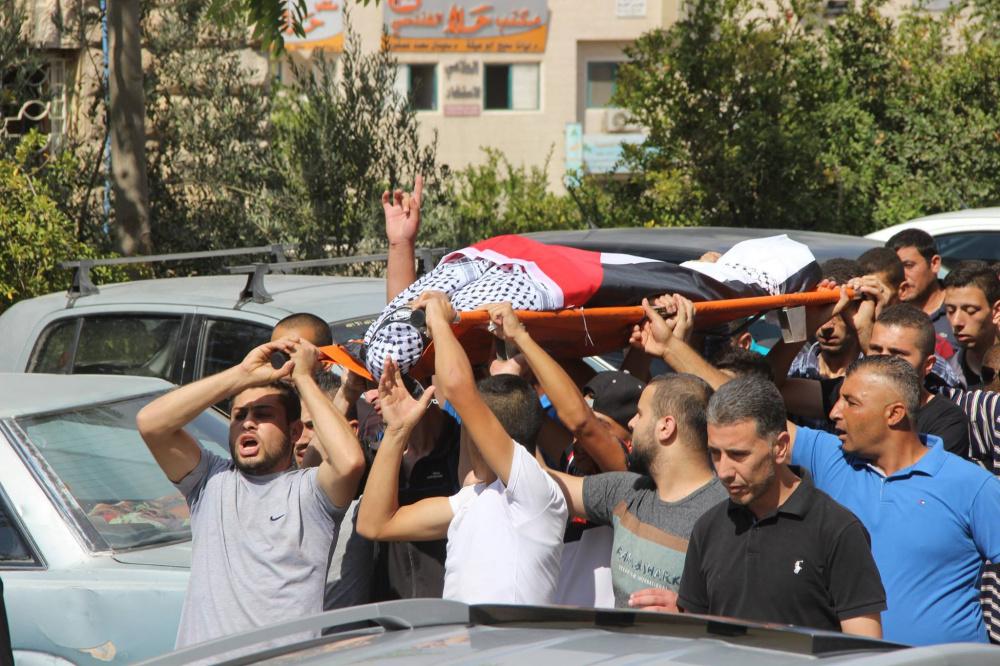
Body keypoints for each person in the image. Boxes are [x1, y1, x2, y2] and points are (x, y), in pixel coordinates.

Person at [136, 337, 365, 647]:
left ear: (294, 432)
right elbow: (151, 423)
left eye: (263, 415)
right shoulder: (210, 481)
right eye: (239, 415)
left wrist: (303, 378)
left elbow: (349, 462)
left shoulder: (309, 493)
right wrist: (241, 374)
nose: (248, 424)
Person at [357, 291, 568, 604]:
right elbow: (375, 524)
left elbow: (458, 389)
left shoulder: (534, 491)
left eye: (468, 427)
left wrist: (440, 322)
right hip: (460, 635)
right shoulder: (471, 500)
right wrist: (397, 432)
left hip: (508, 637)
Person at [790, 355, 1000, 645]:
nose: (835, 412)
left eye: (851, 402)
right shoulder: (831, 458)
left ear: (894, 414)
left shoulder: (972, 485)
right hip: (851, 660)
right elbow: (751, 417)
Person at [677, 376, 886, 638]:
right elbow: (693, 638)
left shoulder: (837, 530)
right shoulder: (708, 529)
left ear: (781, 447)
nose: (724, 471)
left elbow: (864, 647)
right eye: (715, 454)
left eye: (738, 454)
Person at [886, 228, 959, 372]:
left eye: (909, 265)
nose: (902, 275)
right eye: (896, 268)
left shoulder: (960, 309)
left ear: (934, 264)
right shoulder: (889, 312)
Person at [944, 260, 1000, 387]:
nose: (956, 321)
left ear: (997, 311)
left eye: (970, 311)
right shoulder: (943, 380)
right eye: (950, 310)